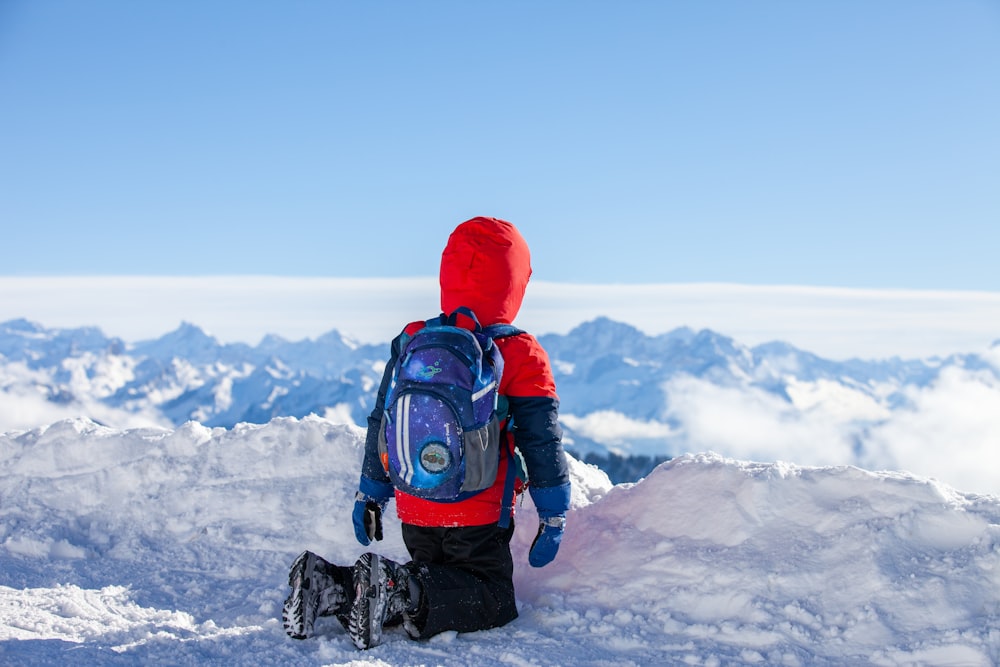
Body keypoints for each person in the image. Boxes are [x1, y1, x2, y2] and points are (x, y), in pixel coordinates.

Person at [282, 216, 572, 649]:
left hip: (414, 503)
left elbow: (381, 421)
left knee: (434, 576)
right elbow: (541, 440)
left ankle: (329, 583)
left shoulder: (412, 339)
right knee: (492, 598)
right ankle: (396, 588)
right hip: (478, 512)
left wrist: (369, 493)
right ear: (515, 282)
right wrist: (553, 512)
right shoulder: (521, 353)